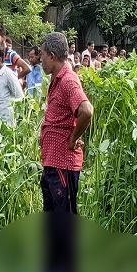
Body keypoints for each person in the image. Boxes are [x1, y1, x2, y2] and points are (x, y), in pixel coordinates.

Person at [39, 32, 94, 215]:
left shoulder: (68, 81)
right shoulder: (57, 79)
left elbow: (86, 110)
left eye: (42, 54)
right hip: (53, 163)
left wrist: (72, 139)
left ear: (52, 56)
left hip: (63, 164)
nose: (40, 59)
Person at [0, 43, 24, 126]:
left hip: (7, 125)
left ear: (0, 59)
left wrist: (16, 122)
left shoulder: (9, 75)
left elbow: (19, 98)